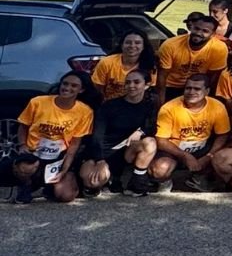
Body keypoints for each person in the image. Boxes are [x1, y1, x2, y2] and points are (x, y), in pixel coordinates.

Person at [15, 71, 98, 202]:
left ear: (81, 90)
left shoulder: (85, 112)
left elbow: (74, 145)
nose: (67, 88)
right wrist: (22, 145)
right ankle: (26, 185)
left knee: (66, 195)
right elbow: (23, 126)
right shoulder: (38, 102)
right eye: (65, 83)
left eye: (74, 86)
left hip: (59, 156)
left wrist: (64, 170)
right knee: (25, 167)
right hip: (34, 151)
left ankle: (51, 185)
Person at [78, 67, 160, 197]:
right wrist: (100, 160)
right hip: (102, 151)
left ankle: (138, 180)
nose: (131, 85)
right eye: (128, 82)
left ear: (146, 85)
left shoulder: (150, 105)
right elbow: (97, 136)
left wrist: (140, 132)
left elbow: (152, 128)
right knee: (92, 182)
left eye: (136, 82)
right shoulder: (110, 106)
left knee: (150, 142)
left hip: (126, 151)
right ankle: (108, 179)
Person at [151, 76, 232, 191]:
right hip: (175, 148)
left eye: (197, 89)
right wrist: (185, 156)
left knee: (224, 155)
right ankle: (165, 182)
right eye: (188, 88)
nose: (191, 92)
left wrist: (209, 156)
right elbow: (161, 140)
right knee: (160, 168)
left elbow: (223, 135)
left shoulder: (217, 106)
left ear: (207, 91)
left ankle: (203, 178)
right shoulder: (169, 108)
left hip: (203, 147)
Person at [156, 14, 228, 101]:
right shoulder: (170, 45)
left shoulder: (219, 48)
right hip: (170, 86)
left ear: (213, 34)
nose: (198, 33)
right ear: (191, 28)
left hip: (198, 87)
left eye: (205, 31)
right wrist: (161, 103)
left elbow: (213, 79)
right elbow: (162, 77)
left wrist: (206, 101)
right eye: (196, 28)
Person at [92, 31, 156, 101]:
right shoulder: (106, 62)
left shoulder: (150, 65)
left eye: (137, 43)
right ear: (122, 45)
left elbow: (149, 91)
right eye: (128, 42)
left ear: (143, 46)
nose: (132, 46)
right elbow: (97, 89)